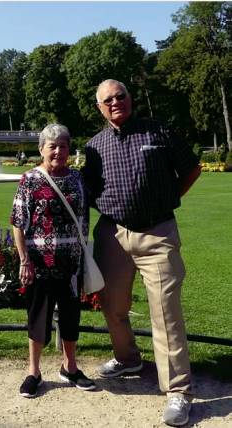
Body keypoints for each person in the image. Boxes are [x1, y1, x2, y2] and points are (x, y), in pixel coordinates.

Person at [83, 79, 201, 427]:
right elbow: (88, 191)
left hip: (157, 233)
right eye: (109, 99)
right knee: (112, 306)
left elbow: (191, 169)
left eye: (121, 96)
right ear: (99, 108)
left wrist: (169, 199)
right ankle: (128, 359)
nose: (116, 102)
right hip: (113, 234)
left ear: (130, 99)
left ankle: (178, 390)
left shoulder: (159, 131)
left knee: (165, 311)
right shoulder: (94, 146)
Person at [11, 123, 96, 398]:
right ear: (41, 149)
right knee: (38, 317)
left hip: (71, 264)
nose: (59, 151)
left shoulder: (78, 180)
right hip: (40, 263)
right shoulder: (30, 179)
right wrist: (24, 260)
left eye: (63, 145)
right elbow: (17, 222)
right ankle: (33, 371)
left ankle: (70, 367)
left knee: (71, 316)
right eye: (53, 146)